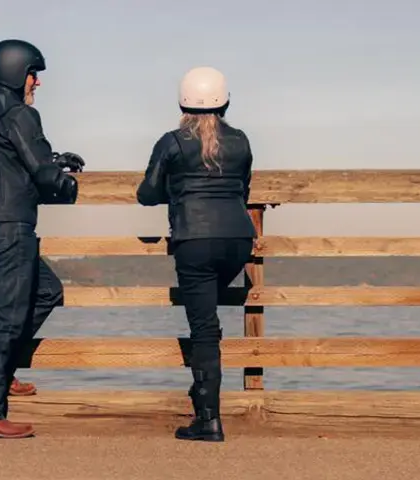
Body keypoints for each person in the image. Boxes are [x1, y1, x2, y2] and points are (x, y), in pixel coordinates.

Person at [0, 38, 86, 439]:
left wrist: (54, 160)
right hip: (12, 226)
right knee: (6, 317)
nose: (37, 83)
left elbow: (9, 163)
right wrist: (67, 184)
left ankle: (1, 372)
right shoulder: (19, 115)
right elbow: (45, 178)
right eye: (34, 74)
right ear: (17, 73)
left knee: (46, 291)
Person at [137, 66, 256, 442]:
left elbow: (147, 193)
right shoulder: (240, 141)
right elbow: (244, 187)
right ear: (226, 102)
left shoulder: (172, 142)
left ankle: (208, 419)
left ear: (181, 103)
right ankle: (204, 393)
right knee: (209, 321)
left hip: (195, 240)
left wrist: (177, 187)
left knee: (204, 330)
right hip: (238, 240)